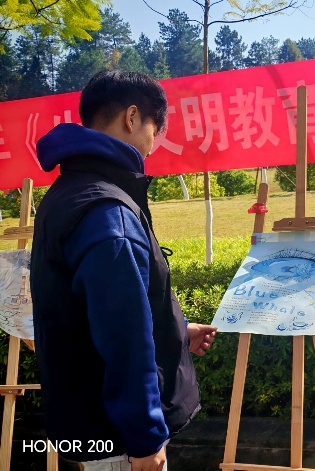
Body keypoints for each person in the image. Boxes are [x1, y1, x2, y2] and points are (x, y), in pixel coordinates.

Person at [30, 70, 217, 471]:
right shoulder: (107, 212)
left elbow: (99, 309)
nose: (154, 144)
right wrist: (145, 441)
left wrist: (177, 330)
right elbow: (124, 338)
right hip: (119, 441)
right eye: (155, 129)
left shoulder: (68, 192)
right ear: (132, 118)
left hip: (94, 426)